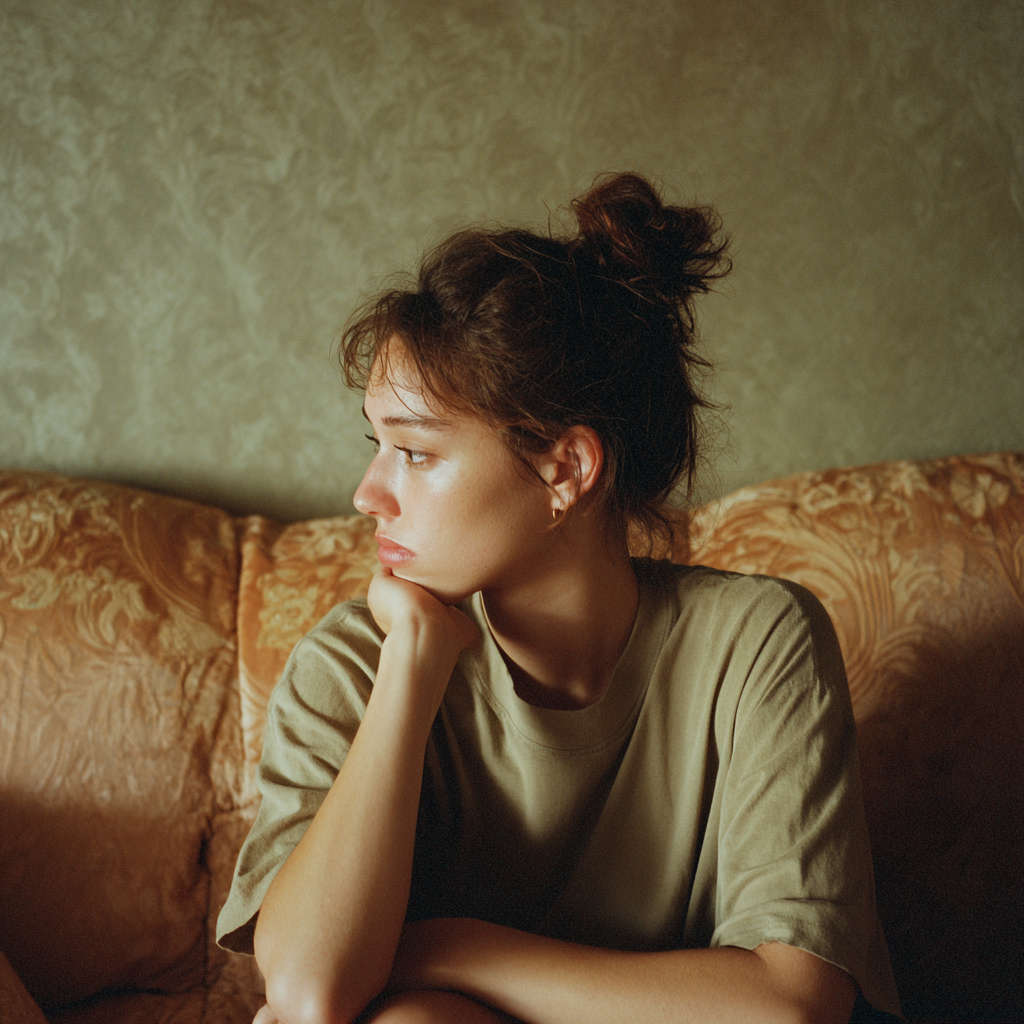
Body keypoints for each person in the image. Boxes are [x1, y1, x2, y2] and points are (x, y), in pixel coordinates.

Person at [216, 173, 902, 1024]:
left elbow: (791, 1008)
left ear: (565, 470)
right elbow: (311, 993)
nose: (367, 494)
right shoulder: (353, 662)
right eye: (376, 445)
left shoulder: (758, 641)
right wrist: (412, 669)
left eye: (417, 454)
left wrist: (443, 946)